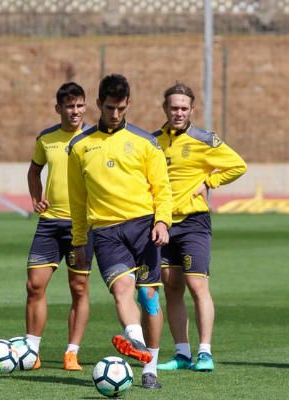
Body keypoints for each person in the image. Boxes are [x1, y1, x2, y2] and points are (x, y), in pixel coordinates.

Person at [67, 74, 172, 389]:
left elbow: (162, 188)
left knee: (149, 297)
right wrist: (79, 240)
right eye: (110, 107)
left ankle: (150, 368)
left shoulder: (145, 142)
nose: (115, 114)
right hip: (106, 231)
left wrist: (162, 221)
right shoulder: (79, 146)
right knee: (122, 288)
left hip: (144, 227)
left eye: (121, 108)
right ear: (99, 104)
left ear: (128, 105)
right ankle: (136, 342)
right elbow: (77, 199)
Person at [152, 82, 247, 373]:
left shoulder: (205, 139)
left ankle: (204, 352)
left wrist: (209, 182)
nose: (178, 112)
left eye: (183, 108)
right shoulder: (153, 141)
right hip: (163, 223)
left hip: (193, 223)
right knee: (171, 287)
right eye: (173, 107)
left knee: (197, 285)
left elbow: (238, 165)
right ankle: (181, 352)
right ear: (165, 108)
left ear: (192, 110)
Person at [24, 82, 93, 371]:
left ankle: (71, 352)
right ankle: (31, 352)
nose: (75, 111)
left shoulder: (94, 138)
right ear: (58, 109)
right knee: (34, 285)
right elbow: (34, 170)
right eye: (69, 106)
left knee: (78, 287)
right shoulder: (47, 138)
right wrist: (36, 198)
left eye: (79, 106)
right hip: (50, 224)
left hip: (82, 227)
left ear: (85, 107)